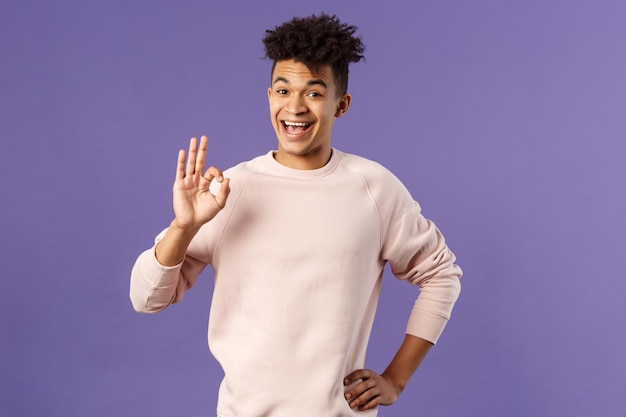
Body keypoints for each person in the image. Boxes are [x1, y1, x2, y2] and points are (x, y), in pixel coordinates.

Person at [130, 13, 462, 417]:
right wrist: (184, 226)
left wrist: (396, 379)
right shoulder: (228, 191)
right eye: (283, 90)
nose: (295, 107)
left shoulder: (374, 189)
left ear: (342, 104)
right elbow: (146, 299)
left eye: (314, 93)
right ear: (269, 95)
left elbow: (441, 275)